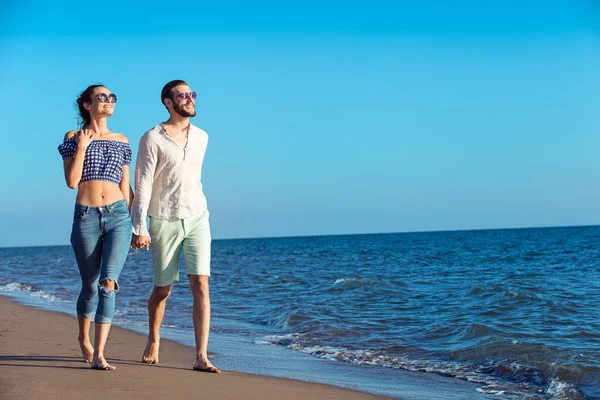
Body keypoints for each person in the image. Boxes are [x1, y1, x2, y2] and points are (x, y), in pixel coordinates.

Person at [130, 79, 220, 373]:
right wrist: (139, 227)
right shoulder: (152, 138)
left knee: (201, 285)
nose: (190, 98)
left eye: (192, 93)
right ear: (168, 102)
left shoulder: (203, 137)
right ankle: (154, 338)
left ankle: (201, 356)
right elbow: (142, 185)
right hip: (163, 219)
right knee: (163, 289)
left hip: (197, 216)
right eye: (183, 95)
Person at [58, 84, 133, 371]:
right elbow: (71, 181)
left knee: (108, 284)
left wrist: (138, 225)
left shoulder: (122, 140)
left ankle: (100, 354)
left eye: (111, 97)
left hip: (118, 216)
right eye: (102, 97)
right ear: (87, 105)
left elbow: (126, 186)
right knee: (89, 286)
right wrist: (82, 147)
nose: (108, 100)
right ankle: (83, 336)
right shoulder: (73, 137)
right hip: (86, 216)